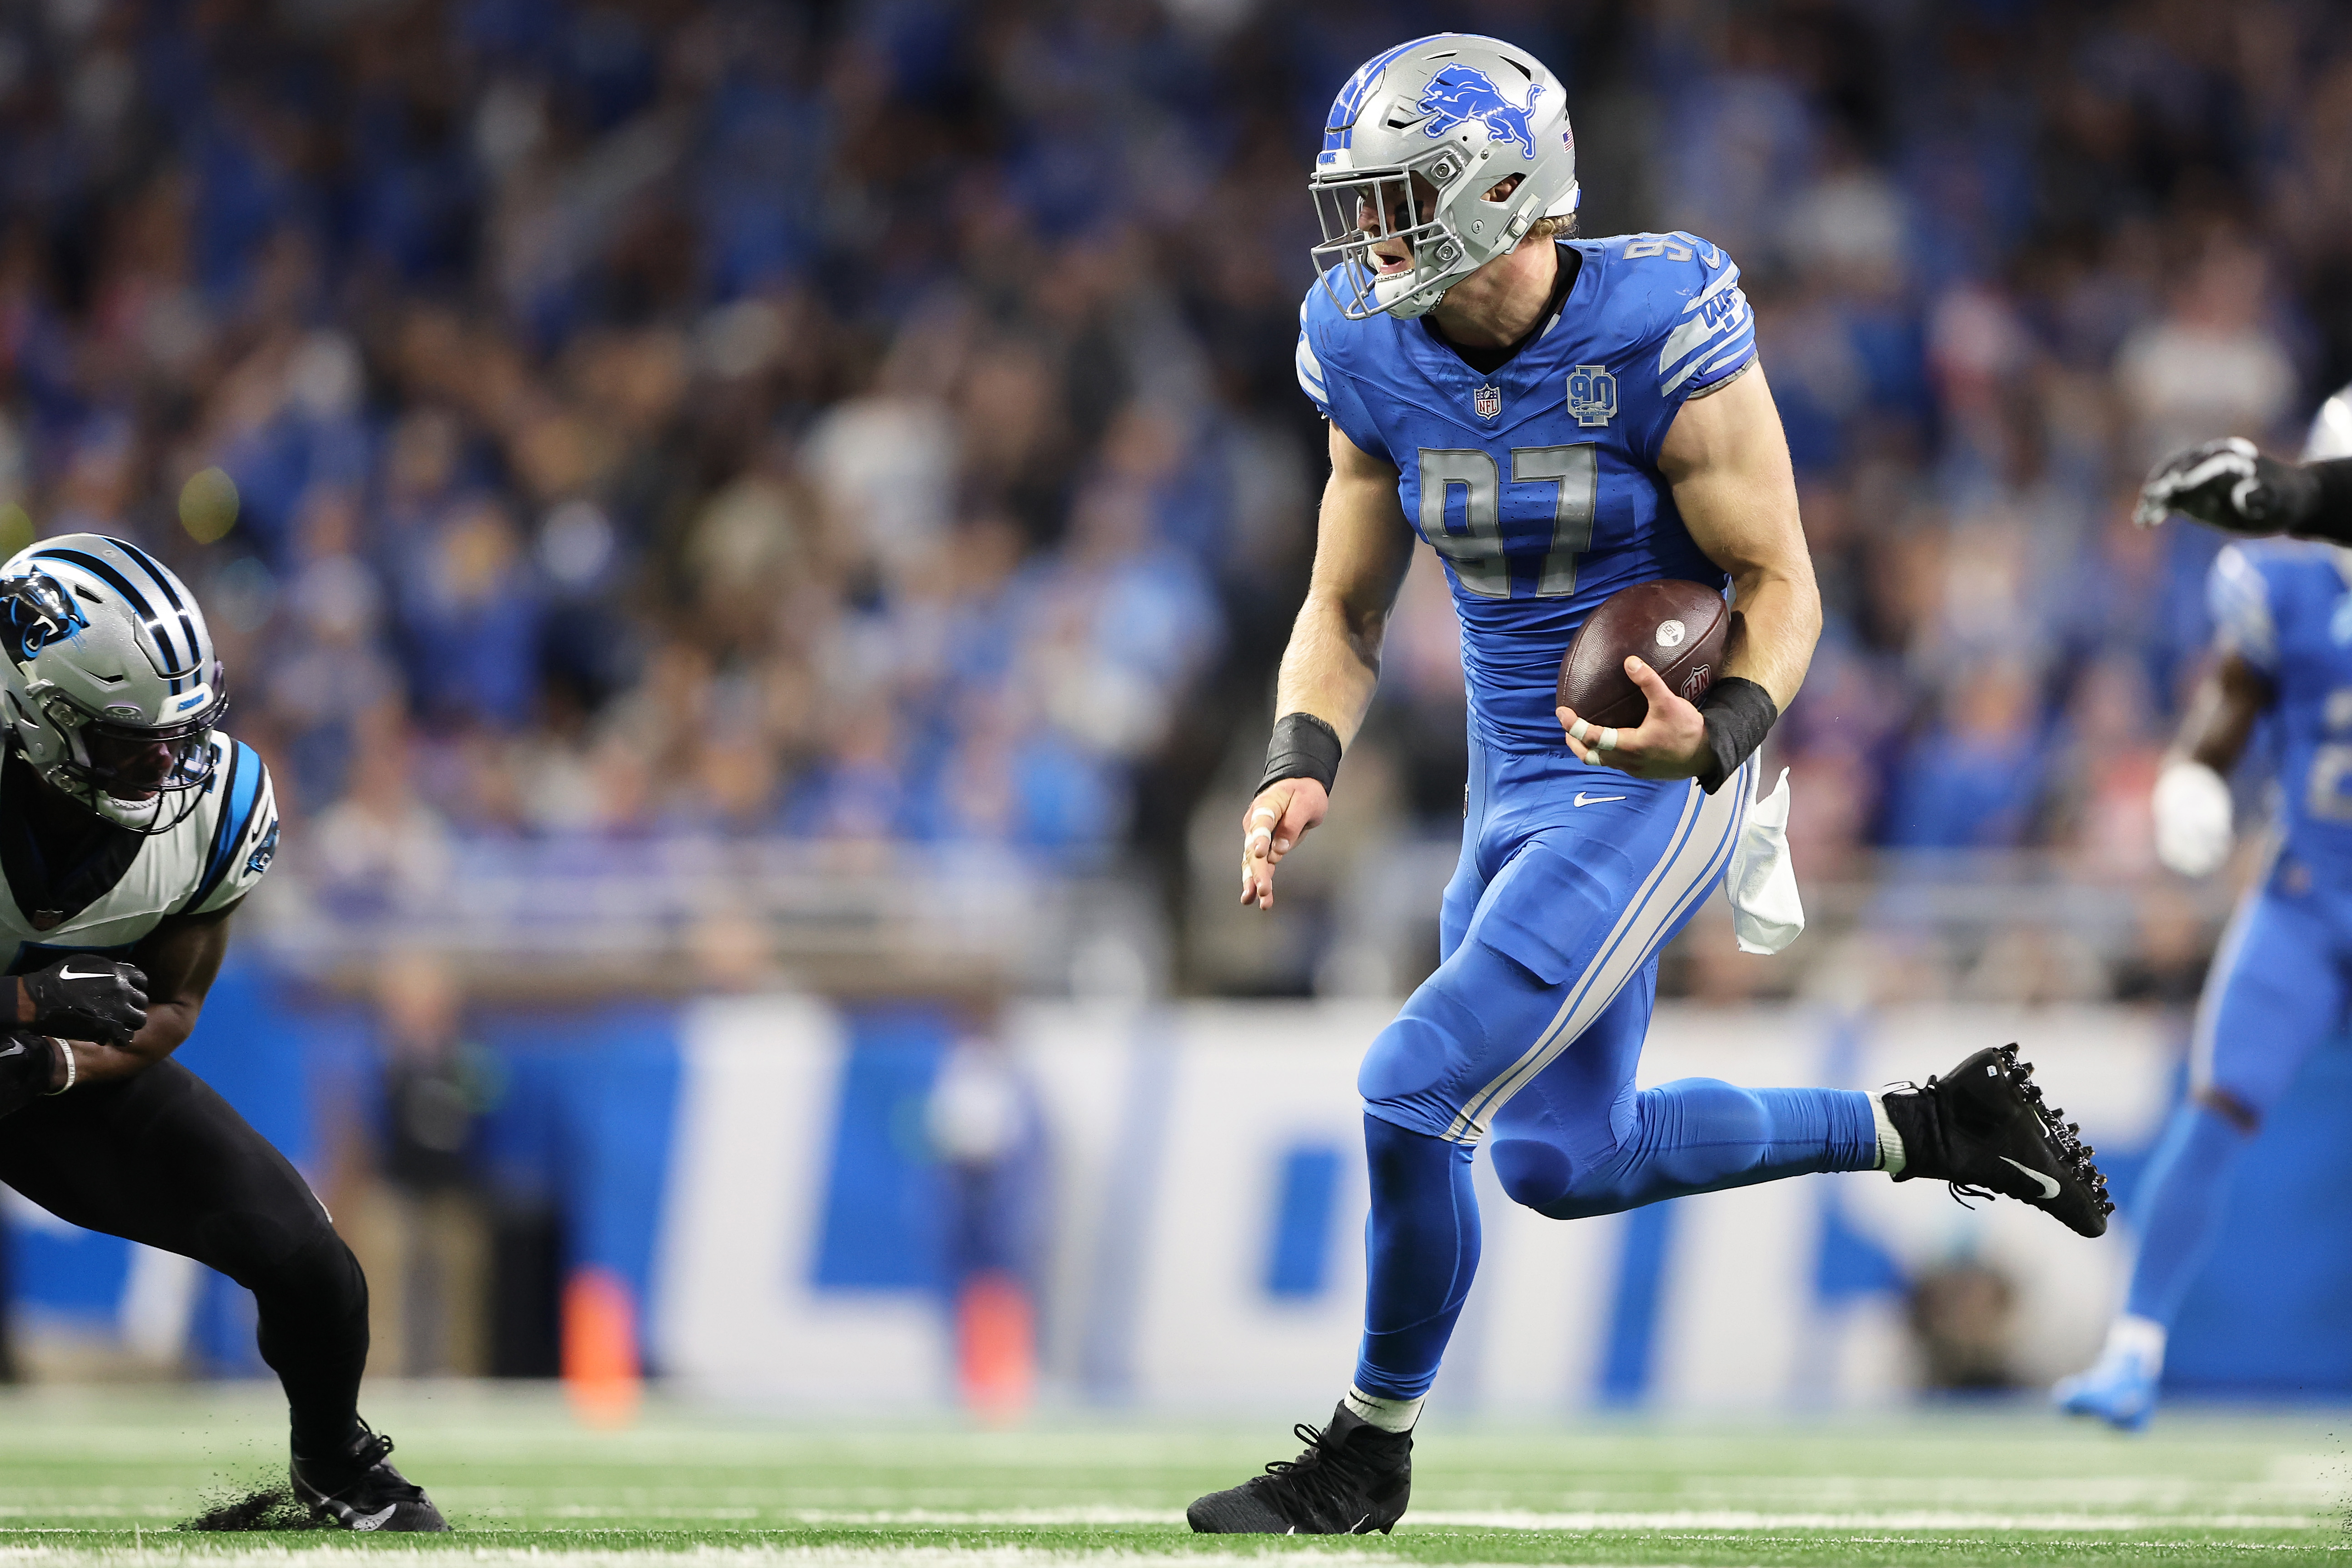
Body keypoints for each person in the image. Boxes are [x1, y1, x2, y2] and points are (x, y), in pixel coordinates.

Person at [1188, 35, 2113, 1536]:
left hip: (1656, 777)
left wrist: (1720, 733)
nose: (1370, 238)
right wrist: (1300, 760)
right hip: (1513, 780)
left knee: (1409, 1088)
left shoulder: (1655, 320)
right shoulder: (1360, 342)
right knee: (1564, 1158)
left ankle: (1366, 1451)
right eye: (1357, 203)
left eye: (1402, 198)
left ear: (1505, 188)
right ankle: (1934, 1129)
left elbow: (1779, 583)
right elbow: (1343, 610)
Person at [0, 534, 446, 1530]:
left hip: (44, 1082)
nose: (166, 763)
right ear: (31, 715)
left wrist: (50, 1059)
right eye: (127, 740)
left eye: (179, 732)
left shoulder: (213, 810)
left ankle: (331, 1461)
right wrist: (28, 1002)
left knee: (307, 1261)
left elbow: (170, 1009)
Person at [2055, 383, 2352, 1429]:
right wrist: (2190, 782)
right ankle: (2132, 1350)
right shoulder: (2282, 587)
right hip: (2311, 895)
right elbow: (2224, 711)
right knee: (2217, 1098)